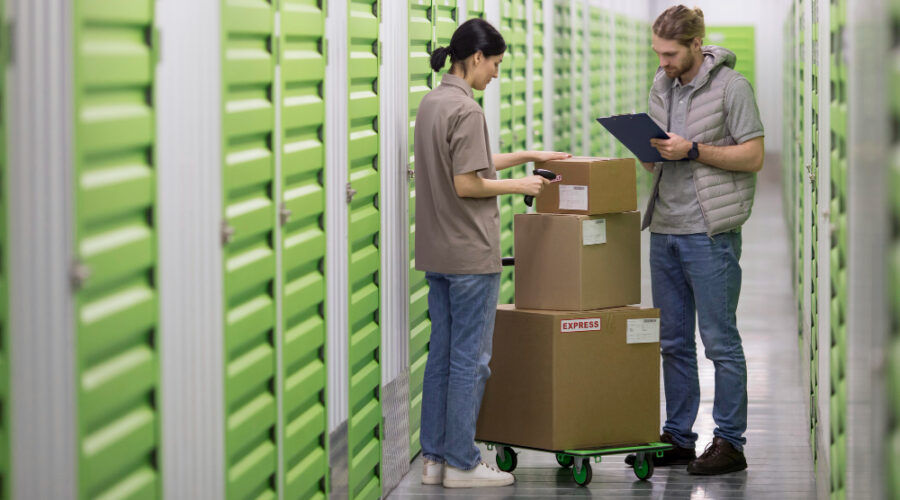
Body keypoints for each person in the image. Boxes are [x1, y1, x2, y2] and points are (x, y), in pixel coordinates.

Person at [414, 18, 571, 489]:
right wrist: (522, 186)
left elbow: (466, 164)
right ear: (476, 58)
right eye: (496, 64)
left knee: (441, 358)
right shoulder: (468, 111)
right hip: (469, 256)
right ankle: (463, 463)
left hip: (438, 254)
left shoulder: (432, 103)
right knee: (470, 361)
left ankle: (435, 460)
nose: (497, 74)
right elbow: (468, 183)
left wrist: (523, 155)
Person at [625, 5, 765, 476]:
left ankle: (730, 441)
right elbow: (656, 161)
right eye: (657, 54)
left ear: (694, 45)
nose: (661, 62)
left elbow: (753, 155)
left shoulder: (732, 88)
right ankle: (679, 437)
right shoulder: (659, 86)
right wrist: (649, 152)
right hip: (664, 228)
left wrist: (694, 150)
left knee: (720, 342)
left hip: (710, 234)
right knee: (672, 342)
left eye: (669, 54)